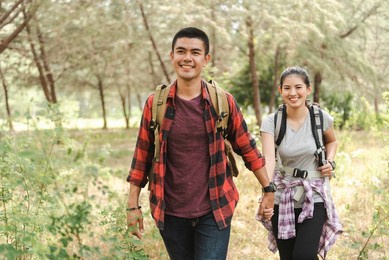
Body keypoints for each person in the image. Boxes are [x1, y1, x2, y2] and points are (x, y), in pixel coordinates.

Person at [126, 27, 275, 260]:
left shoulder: (222, 102)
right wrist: (132, 206)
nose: (187, 58)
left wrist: (268, 188)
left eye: (195, 52)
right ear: (172, 56)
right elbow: (141, 157)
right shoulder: (156, 104)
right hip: (170, 211)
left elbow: (247, 148)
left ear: (205, 59)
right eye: (181, 51)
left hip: (215, 209)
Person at [258, 66, 343, 260]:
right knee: (287, 257)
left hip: (314, 194)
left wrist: (330, 161)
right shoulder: (272, 122)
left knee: (303, 255)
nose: (293, 93)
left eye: (298, 87)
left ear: (308, 89)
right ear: (280, 90)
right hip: (283, 193)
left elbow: (332, 140)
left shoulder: (320, 118)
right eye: (287, 88)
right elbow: (269, 159)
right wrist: (267, 191)